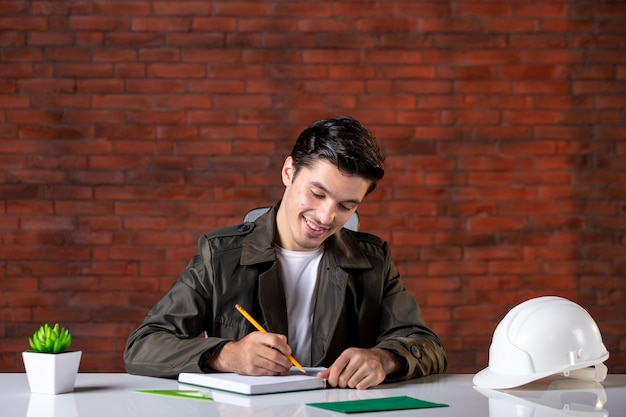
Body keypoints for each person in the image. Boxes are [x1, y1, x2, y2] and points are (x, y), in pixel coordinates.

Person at [124, 116, 447, 389]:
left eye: (346, 206)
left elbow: (428, 346)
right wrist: (226, 355)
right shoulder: (219, 255)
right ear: (289, 172)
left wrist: (384, 359)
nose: (325, 217)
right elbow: (143, 346)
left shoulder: (375, 260)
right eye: (317, 193)